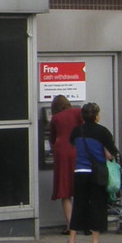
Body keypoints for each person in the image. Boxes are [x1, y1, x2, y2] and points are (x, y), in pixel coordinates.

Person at [67, 102, 119, 243]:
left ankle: (71, 239)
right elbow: (110, 154)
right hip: (97, 173)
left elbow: (74, 146)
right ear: (96, 116)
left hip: (80, 172)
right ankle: (95, 242)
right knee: (97, 205)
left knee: (79, 204)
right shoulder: (103, 132)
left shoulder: (77, 131)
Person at [48, 95, 84, 231]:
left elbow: (52, 138)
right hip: (78, 150)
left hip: (62, 152)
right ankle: (82, 222)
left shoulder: (55, 118)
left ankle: (70, 225)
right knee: (80, 187)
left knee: (65, 191)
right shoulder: (77, 112)